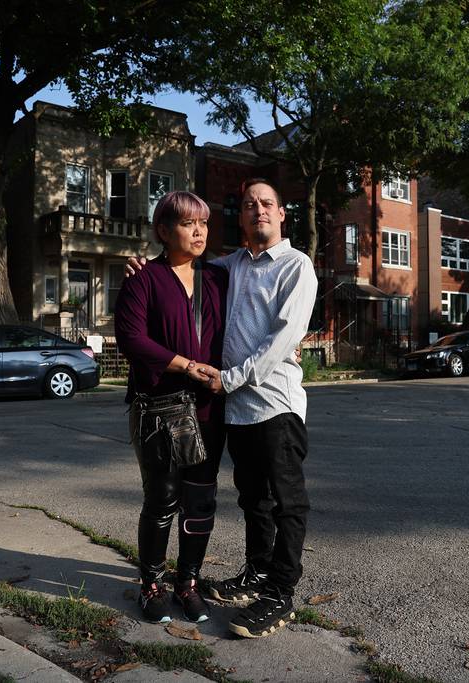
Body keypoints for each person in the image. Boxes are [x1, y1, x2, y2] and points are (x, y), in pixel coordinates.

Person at [128, 178, 317, 638]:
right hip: (234, 410)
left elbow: (282, 339)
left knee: (287, 502)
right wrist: (140, 265)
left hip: (274, 403)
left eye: (267, 203)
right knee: (253, 500)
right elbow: (174, 276)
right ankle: (254, 572)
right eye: (249, 204)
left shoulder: (296, 266)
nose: (258, 211)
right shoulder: (229, 266)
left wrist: (225, 377)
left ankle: (280, 591)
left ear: (281, 213)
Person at [114, 191, 229, 624]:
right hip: (160, 409)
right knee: (162, 499)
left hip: (208, 408)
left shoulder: (218, 277)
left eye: (203, 223)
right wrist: (187, 366)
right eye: (187, 223)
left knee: (200, 502)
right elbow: (131, 339)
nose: (198, 231)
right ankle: (152, 583)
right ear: (163, 231)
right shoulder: (143, 279)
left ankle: (188, 581)